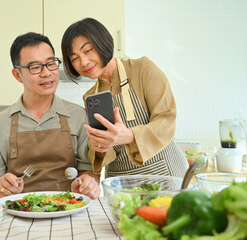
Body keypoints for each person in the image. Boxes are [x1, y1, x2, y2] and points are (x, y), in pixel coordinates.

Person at [0, 32, 100, 199]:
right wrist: (0, 187)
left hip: (69, 209)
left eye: (51, 63)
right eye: (35, 67)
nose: (47, 73)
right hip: (18, 214)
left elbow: (90, 171)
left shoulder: (79, 117)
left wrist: (87, 182)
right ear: (17, 75)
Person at [61, 18, 189, 178]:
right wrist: (100, 148)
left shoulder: (143, 68)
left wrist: (129, 135)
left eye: (88, 51)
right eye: (75, 58)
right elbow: (102, 154)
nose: (84, 62)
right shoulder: (91, 97)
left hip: (164, 174)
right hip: (120, 183)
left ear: (102, 42)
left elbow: (166, 119)